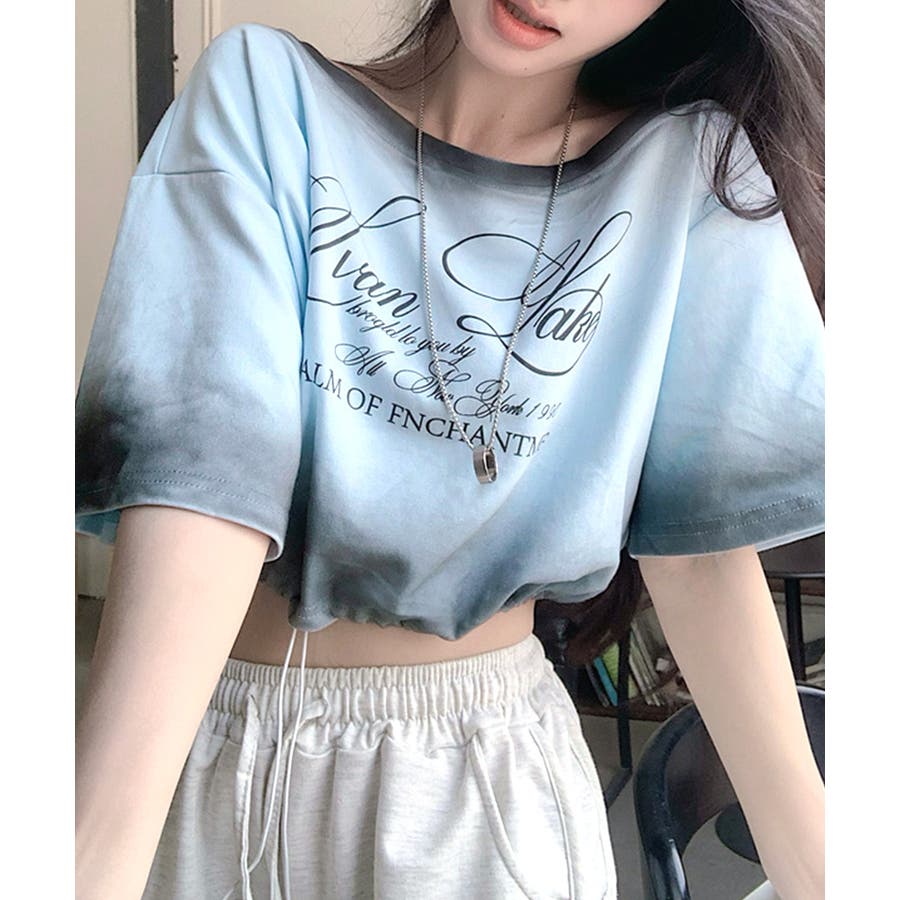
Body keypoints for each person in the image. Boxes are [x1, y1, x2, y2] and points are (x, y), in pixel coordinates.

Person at [74, 1, 826, 898]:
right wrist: (91, 861)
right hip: (204, 751)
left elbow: (700, 558)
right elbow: (201, 488)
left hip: (482, 788)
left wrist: (819, 873)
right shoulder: (267, 98)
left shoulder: (690, 172)